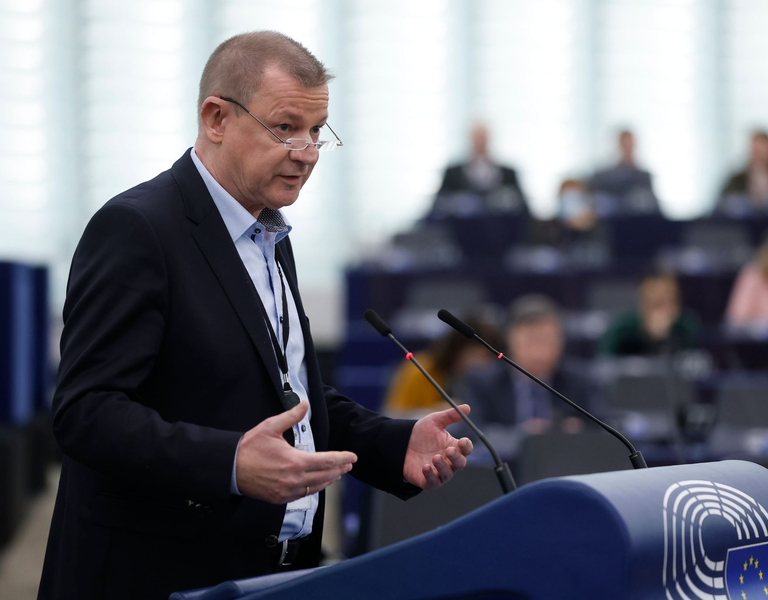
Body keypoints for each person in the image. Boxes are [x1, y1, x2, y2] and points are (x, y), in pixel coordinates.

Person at [39, 31, 473, 600]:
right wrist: (230, 464)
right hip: (159, 574)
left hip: (274, 573)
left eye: (317, 131)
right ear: (216, 118)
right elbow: (86, 413)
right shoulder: (138, 230)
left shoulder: (269, 233)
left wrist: (394, 444)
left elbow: (290, 396)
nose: (307, 152)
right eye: (285, 127)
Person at [453, 296, 598, 461]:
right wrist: (525, 436)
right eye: (531, 342)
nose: (539, 353)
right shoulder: (480, 382)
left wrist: (579, 432)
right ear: (510, 340)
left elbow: (606, 429)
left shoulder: (581, 381)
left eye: (547, 341)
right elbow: (469, 434)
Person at [383, 313, 503, 416]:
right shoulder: (420, 369)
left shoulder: (489, 382)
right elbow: (392, 416)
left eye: (488, 359)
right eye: (476, 356)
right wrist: (434, 412)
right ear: (456, 350)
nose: (482, 365)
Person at [429, 122, 528, 216]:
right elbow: (438, 207)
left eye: (483, 138)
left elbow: (523, 209)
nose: (480, 142)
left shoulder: (508, 173)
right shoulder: (453, 173)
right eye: (477, 138)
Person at [599, 270, 701, 356]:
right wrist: (647, 335)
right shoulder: (620, 328)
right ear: (641, 298)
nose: (661, 309)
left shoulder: (686, 326)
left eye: (668, 298)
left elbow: (695, 367)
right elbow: (605, 366)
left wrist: (668, 336)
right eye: (656, 303)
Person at [717, 130, 768, 215]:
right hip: (745, 225)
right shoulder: (737, 179)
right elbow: (723, 203)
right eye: (756, 151)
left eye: (762, 151)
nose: (759, 156)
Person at [590, 129, 659, 214]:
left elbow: (654, 208)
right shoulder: (603, 178)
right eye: (624, 144)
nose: (627, 149)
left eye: (630, 145)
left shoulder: (644, 177)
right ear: (618, 146)